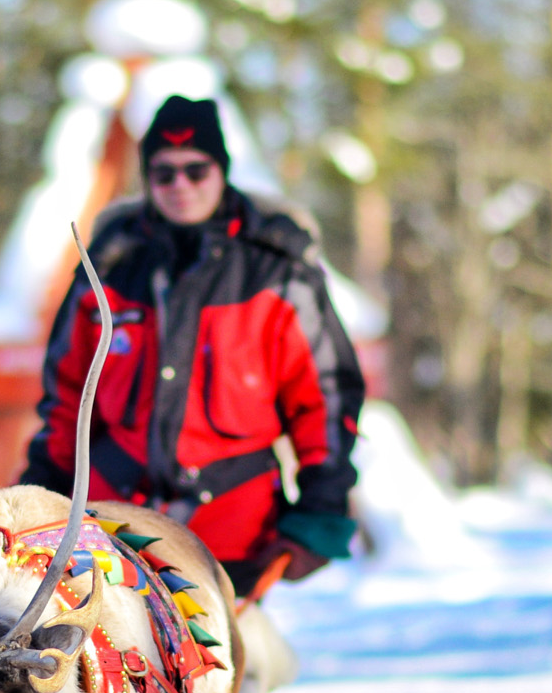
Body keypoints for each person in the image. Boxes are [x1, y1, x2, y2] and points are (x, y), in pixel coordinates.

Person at [21, 94, 365, 597]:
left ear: (221, 170)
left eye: (196, 170)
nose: (180, 185)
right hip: (110, 529)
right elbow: (66, 397)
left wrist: (321, 504)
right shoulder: (109, 268)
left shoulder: (278, 271)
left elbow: (325, 399)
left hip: (233, 533)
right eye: (164, 173)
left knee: (217, 671)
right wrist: (43, 488)